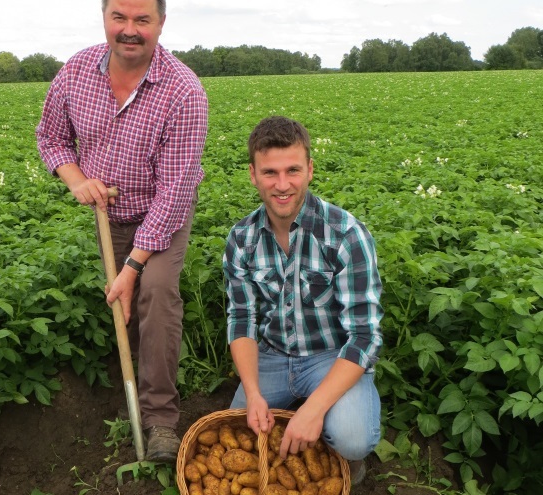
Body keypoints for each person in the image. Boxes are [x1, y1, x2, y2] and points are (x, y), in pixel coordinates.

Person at [36, 0, 208, 463]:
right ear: (105, 18)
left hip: (162, 212)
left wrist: (134, 265)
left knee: (153, 291)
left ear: (161, 24)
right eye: (120, 18)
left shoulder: (183, 90)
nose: (129, 30)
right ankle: (132, 388)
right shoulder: (75, 72)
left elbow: (174, 190)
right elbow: (50, 137)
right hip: (108, 213)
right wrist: (76, 179)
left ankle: (160, 422)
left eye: (142, 20)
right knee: (121, 303)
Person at [222, 116, 383, 486]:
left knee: (352, 437)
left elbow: (364, 337)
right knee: (239, 430)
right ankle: (284, 411)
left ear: (310, 169)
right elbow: (242, 319)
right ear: (253, 174)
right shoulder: (242, 238)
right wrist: (253, 391)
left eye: (293, 170)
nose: (282, 185)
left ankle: (346, 461)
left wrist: (313, 409)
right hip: (272, 355)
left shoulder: (345, 234)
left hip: (332, 356)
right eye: (270, 172)